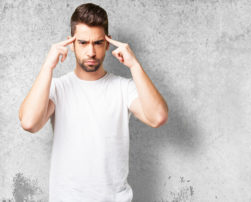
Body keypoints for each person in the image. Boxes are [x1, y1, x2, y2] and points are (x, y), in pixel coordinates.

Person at [18, 3, 168, 202]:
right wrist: (48, 66)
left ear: (108, 44)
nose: (91, 52)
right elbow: (29, 123)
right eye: (82, 43)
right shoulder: (57, 88)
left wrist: (135, 65)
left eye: (97, 43)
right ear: (71, 44)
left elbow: (158, 117)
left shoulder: (124, 88)